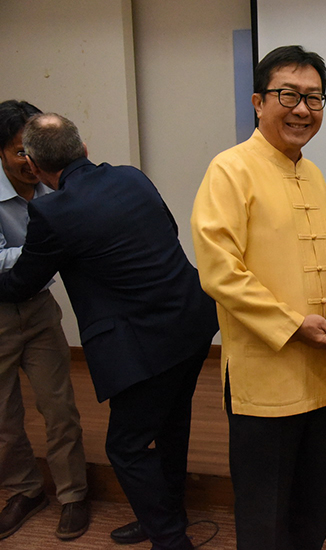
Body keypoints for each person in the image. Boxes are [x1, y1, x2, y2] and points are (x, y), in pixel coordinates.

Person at [0, 113, 219, 550]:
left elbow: (22, 283)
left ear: (36, 168)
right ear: (84, 149)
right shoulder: (132, 177)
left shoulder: (51, 211)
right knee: (172, 427)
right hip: (191, 323)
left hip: (143, 346)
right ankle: (165, 516)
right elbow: (169, 230)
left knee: (126, 446)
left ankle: (170, 540)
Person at [191, 45, 326, 550]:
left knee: (315, 506)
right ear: (258, 102)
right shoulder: (230, 169)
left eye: (314, 98)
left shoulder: (315, 175)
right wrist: (292, 324)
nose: (302, 109)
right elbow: (220, 271)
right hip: (266, 380)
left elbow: (310, 254)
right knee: (265, 516)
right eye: (288, 95)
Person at [0, 100, 89, 541]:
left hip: (38, 308)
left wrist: (49, 249)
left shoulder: (55, 183)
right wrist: (49, 247)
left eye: (33, 150)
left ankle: (74, 494)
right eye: (20, 152)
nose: (30, 161)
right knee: (3, 416)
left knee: (59, 408)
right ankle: (25, 490)